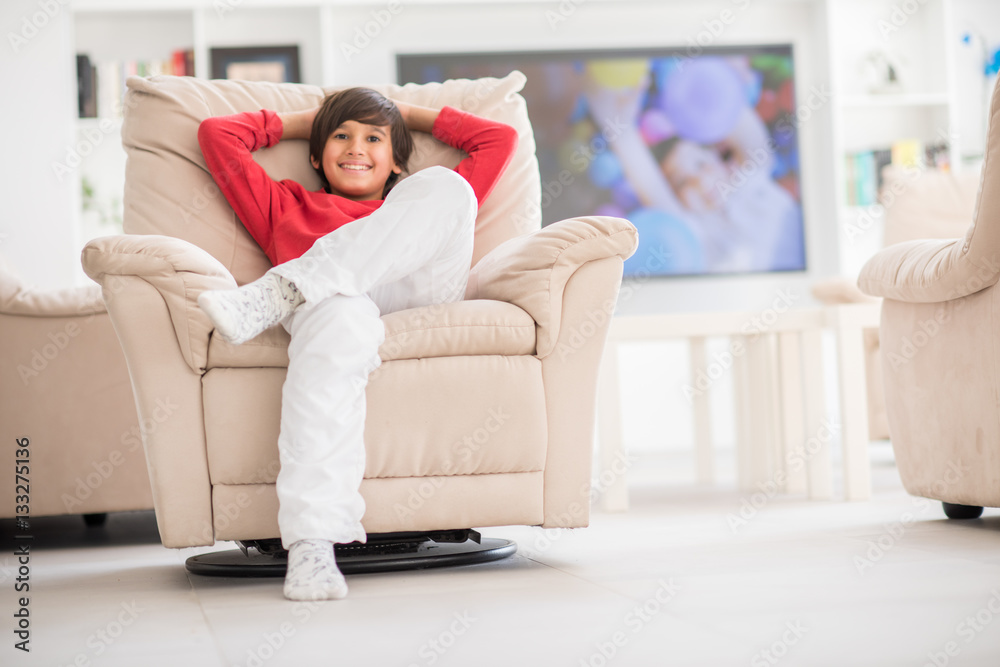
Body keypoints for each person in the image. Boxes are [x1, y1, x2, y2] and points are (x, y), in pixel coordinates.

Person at [195, 87, 517, 601]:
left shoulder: (410, 202)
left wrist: (403, 113)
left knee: (448, 187)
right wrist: (311, 121)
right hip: (337, 312)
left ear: (394, 158)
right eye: (341, 138)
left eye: (374, 138)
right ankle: (312, 547)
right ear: (318, 154)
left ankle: (285, 288)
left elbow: (497, 140)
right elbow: (217, 136)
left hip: (412, 292)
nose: (355, 147)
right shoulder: (286, 204)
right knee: (335, 311)